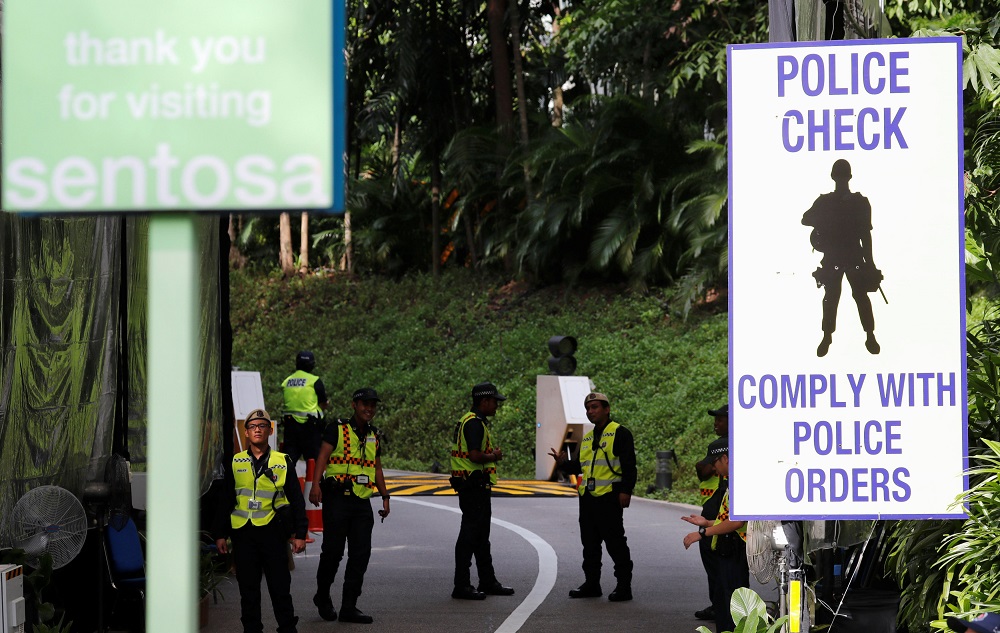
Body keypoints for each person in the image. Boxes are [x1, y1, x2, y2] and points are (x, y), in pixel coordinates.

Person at [214, 409, 307, 633]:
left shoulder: (283, 461)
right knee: (248, 590)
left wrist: (300, 534)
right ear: (246, 432)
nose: (257, 429)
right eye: (253, 426)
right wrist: (220, 533)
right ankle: (252, 629)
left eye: (262, 426)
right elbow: (226, 500)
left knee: (280, 588)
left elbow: (296, 499)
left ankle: (287, 628)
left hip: (273, 532)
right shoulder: (236, 462)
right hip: (244, 533)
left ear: (270, 430)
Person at [309, 387, 391, 624]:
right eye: (365, 404)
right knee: (333, 553)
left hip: (361, 501)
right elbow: (323, 456)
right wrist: (315, 485)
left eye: (373, 405)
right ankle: (322, 596)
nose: (369, 409)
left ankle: (349, 606)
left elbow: (376, 468)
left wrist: (385, 496)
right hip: (337, 499)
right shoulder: (337, 428)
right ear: (354, 405)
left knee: (361, 555)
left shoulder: (374, 435)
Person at [548, 392, 636, 602]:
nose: (591, 411)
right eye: (588, 408)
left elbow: (629, 465)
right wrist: (563, 463)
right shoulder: (587, 437)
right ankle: (591, 584)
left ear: (607, 409)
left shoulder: (620, 433)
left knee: (615, 543)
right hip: (587, 498)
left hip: (609, 496)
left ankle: (624, 586)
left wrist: (626, 490)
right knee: (589, 543)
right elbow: (581, 465)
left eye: (595, 407)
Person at [801, 159, 882, 357]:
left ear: (833, 176)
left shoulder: (852, 202)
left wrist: (870, 264)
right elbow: (806, 219)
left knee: (846, 296)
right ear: (849, 176)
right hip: (841, 256)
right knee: (840, 297)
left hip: (846, 256)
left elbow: (865, 234)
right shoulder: (838, 202)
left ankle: (863, 335)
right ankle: (846, 336)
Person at [449, 381, 516, 600]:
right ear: (484, 401)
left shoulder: (472, 421)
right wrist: (494, 457)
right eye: (494, 401)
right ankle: (462, 585)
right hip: (473, 486)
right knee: (469, 536)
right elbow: (475, 456)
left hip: (474, 486)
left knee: (480, 537)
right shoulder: (474, 424)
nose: (497, 405)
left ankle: (487, 581)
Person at [682, 438, 748, 633]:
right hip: (729, 549)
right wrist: (708, 522)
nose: (713, 467)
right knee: (723, 601)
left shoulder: (740, 482)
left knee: (733, 605)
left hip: (736, 550)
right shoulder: (732, 481)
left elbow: (737, 522)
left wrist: (703, 533)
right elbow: (729, 519)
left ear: (726, 458)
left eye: (715, 462)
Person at [692, 403, 730, 622]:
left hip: (716, 510)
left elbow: (703, 471)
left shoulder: (719, 445)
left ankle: (719, 607)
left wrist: (702, 463)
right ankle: (725, 606)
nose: (716, 423)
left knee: (714, 558)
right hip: (723, 512)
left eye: (720, 419)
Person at [280, 350, 329, 467]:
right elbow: (323, 403)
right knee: (313, 462)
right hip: (310, 428)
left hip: (290, 426)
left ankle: (286, 485)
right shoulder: (315, 381)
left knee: (288, 462)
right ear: (312, 365)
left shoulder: (286, 382)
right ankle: (313, 485)